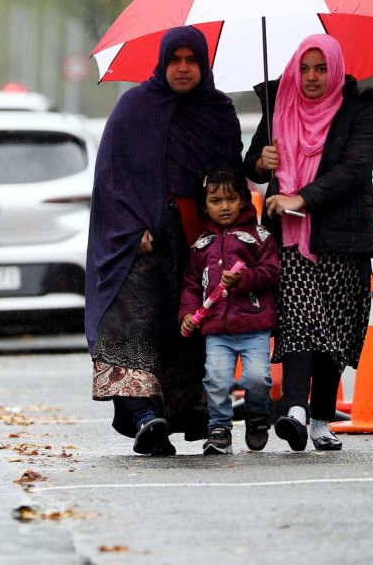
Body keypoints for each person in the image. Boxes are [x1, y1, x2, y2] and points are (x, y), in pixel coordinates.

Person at [86, 25, 243, 456]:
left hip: (197, 240)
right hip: (141, 240)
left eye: (192, 60)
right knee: (135, 320)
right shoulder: (134, 107)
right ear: (161, 62)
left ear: (204, 63)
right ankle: (143, 417)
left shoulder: (218, 111)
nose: (183, 68)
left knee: (190, 324)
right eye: (175, 59)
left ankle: (190, 412)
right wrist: (129, 227)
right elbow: (110, 177)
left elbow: (231, 179)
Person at [243, 33, 373, 452]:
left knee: (337, 332)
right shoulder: (278, 107)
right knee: (301, 322)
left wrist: (303, 197)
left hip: (342, 237)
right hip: (288, 238)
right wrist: (260, 162)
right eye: (304, 68)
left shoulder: (361, 111)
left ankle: (321, 416)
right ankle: (294, 413)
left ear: (336, 70)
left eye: (321, 68)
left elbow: (355, 169)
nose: (311, 77)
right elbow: (249, 166)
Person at [179, 165, 280, 455]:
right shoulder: (201, 245)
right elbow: (190, 285)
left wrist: (244, 279)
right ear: (205, 205)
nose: (224, 207)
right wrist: (187, 312)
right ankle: (219, 428)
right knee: (216, 378)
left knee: (258, 378)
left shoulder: (259, 238)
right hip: (216, 329)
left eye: (231, 199)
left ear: (244, 200)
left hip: (254, 326)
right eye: (215, 201)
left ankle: (258, 415)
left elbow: (272, 272)